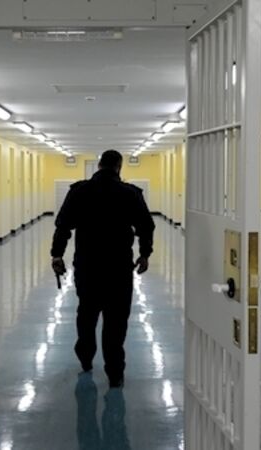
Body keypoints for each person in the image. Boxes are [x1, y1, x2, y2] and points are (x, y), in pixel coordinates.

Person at [51, 149, 155, 388]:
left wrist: (57, 254)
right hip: (118, 268)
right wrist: (144, 254)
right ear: (119, 167)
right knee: (116, 320)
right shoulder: (130, 193)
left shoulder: (79, 191)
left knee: (86, 314)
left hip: (87, 266)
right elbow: (146, 226)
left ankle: (85, 358)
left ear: (99, 166)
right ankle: (115, 373)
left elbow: (63, 226)